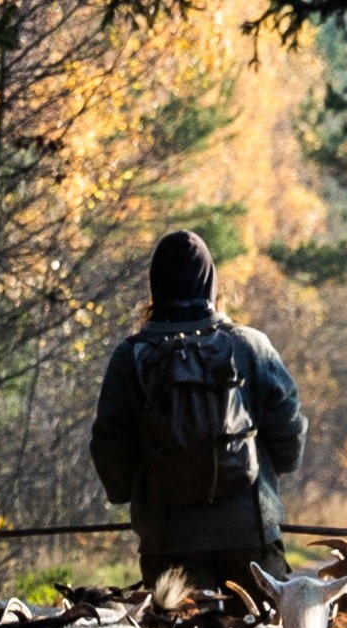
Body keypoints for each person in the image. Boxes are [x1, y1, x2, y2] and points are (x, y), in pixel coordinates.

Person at [87, 229, 304, 600]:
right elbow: (289, 425)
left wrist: (128, 494)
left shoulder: (131, 355)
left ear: (156, 284)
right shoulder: (249, 345)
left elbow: (110, 441)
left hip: (167, 534)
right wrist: (274, 471)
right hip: (249, 531)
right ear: (210, 282)